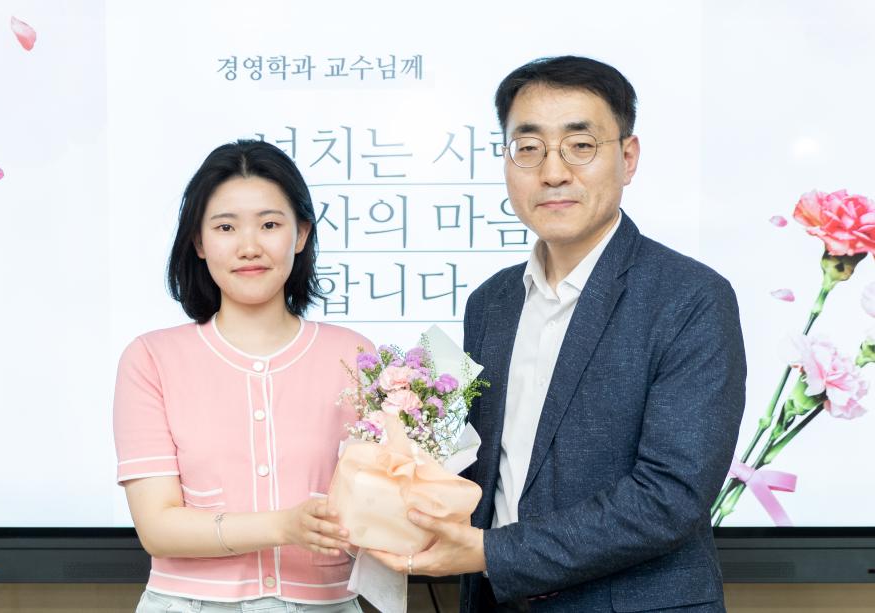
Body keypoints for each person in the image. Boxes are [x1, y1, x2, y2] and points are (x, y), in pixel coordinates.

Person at [369, 56, 747, 612]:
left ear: (628, 157)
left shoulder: (689, 298)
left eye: (580, 146)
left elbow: (671, 496)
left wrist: (492, 553)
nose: (552, 173)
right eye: (528, 148)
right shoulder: (491, 302)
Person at [113, 140, 370, 612]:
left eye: (270, 225)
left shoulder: (354, 355)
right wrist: (283, 526)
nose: (249, 247)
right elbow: (157, 527)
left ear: (301, 234)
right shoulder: (151, 358)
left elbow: (377, 502)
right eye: (226, 227)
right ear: (199, 242)